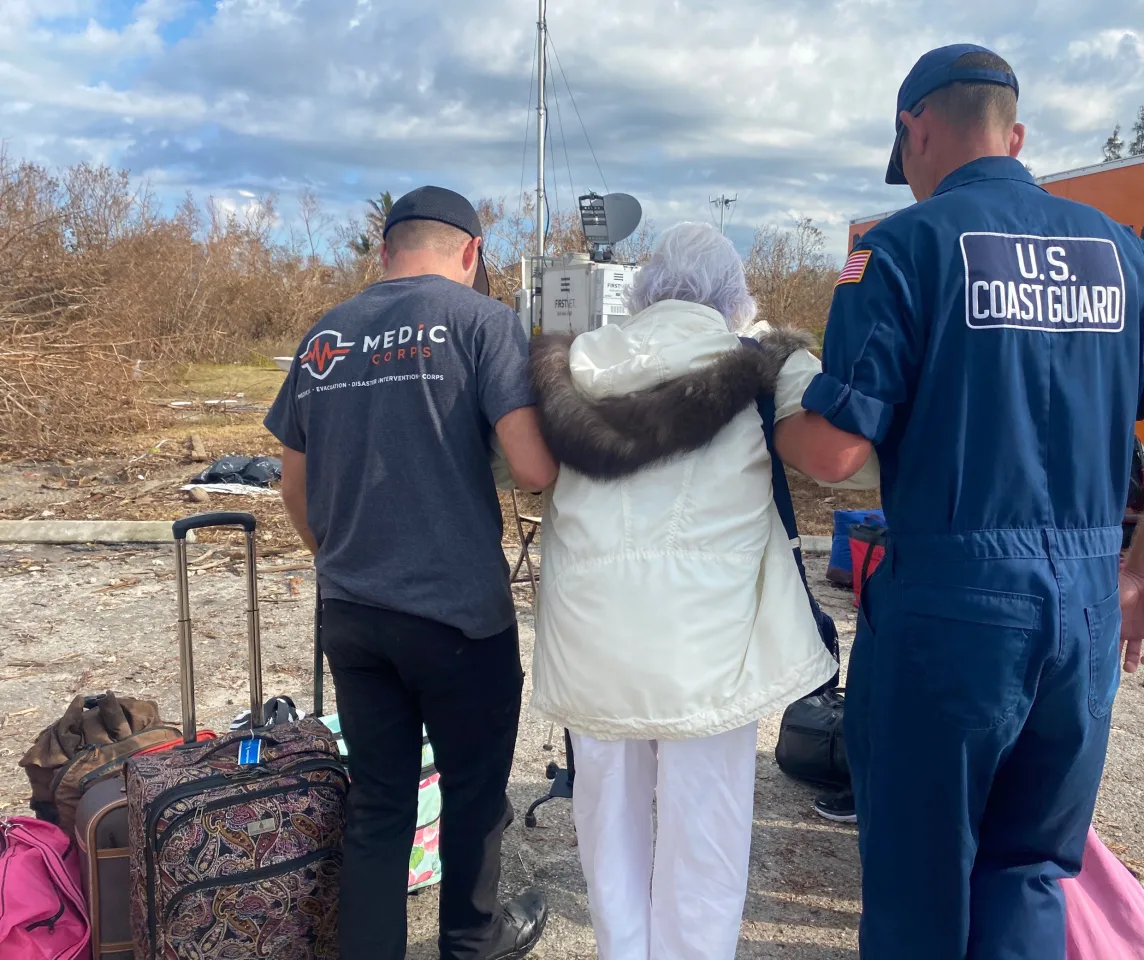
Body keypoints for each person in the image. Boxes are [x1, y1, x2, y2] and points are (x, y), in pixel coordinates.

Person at [775, 44, 1144, 959]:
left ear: (916, 130)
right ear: (1012, 132)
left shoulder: (901, 250)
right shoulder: (1120, 254)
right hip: (1086, 609)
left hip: (951, 611)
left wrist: (773, 398)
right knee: (1028, 871)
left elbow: (834, 452)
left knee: (919, 884)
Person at [525, 222, 852, 960]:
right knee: (706, 826)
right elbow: (841, 459)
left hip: (592, 636)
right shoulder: (764, 365)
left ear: (642, 292)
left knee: (606, 815)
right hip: (710, 647)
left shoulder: (572, 362)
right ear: (734, 297)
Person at [265, 186, 557, 960]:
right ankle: (472, 941)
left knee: (381, 804)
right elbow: (532, 469)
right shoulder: (483, 322)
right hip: (459, 619)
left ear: (384, 251)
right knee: (473, 796)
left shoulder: (325, 333)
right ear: (471, 252)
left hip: (355, 614)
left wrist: (335, 555)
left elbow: (292, 485)